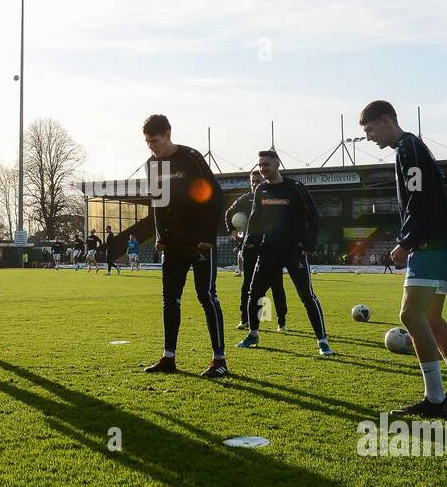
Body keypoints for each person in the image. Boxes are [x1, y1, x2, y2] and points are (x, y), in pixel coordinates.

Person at [360, 100, 447, 418]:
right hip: (443, 243)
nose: (369, 137)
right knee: (432, 319)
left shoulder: (407, 148)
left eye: (369, 130)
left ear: (386, 121)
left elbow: (418, 199)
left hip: (429, 245)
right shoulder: (413, 146)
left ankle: (435, 400)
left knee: (410, 316)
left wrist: (407, 242)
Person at [140, 114, 228, 378]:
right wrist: (160, 236)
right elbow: (158, 203)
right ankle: (169, 358)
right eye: (146, 142)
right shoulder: (152, 164)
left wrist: (208, 237)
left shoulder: (191, 157)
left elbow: (215, 196)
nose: (151, 146)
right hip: (173, 244)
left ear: (167, 133)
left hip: (200, 242)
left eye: (154, 140)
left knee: (206, 297)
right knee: (170, 300)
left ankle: (219, 360)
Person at [237, 151, 331, 356]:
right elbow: (255, 220)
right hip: (268, 250)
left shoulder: (295, 188)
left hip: (294, 250)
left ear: (277, 163)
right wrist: (246, 247)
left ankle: (322, 341)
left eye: (267, 164)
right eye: (260, 165)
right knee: (255, 294)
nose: (263, 168)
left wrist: (309, 244)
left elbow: (313, 216)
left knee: (307, 296)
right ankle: (253, 334)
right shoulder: (261, 190)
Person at [226, 168, 288, 332]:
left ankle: (281, 321)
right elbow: (228, 213)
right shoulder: (244, 199)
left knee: (275, 285)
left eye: (258, 181)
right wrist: (233, 231)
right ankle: (245, 319)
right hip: (250, 250)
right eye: (252, 181)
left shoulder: (274, 199)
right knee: (248, 285)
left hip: (271, 250)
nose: (255, 184)